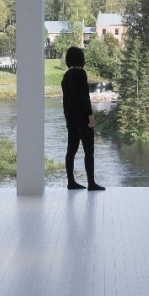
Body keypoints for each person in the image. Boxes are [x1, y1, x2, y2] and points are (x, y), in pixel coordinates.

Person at [61, 46, 104, 191]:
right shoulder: (81, 74)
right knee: (88, 151)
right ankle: (91, 183)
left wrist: (67, 118)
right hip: (83, 119)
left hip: (71, 119)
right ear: (81, 59)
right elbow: (84, 97)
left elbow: (65, 101)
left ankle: (71, 182)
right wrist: (90, 116)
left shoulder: (66, 76)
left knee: (71, 151)